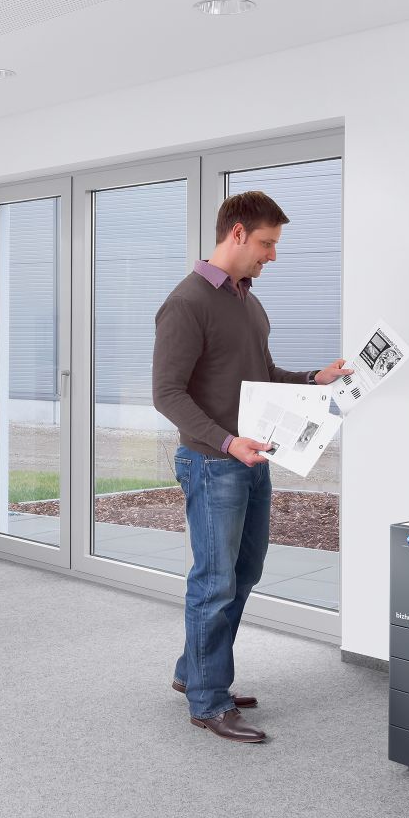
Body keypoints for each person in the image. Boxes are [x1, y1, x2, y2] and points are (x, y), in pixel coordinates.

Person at [152, 192, 352, 743]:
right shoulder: (186, 302)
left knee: (244, 574)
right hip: (212, 462)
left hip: (250, 457)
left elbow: (261, 374)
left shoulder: (247, 301)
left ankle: (195, 671)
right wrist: (225, 440)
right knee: (214, 581)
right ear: (236, 233)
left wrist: (313, 379)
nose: (273, 255)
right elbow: (166, 394)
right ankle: (208, 701)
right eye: (267, 243)